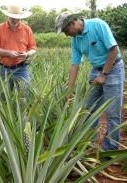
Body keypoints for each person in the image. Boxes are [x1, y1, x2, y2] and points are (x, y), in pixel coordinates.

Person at [55, 11, 125, 151]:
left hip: (113, 69)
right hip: (96, 70)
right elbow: (75, 65)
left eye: (66, 31)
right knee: (87, 108)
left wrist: (104, 74)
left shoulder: (97, 24)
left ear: (73, 23)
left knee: (112, 112)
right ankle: (89, 143)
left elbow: (114, 49)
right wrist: (69, 90)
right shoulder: (75, 40)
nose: (66, 34)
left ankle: (110, 149)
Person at [0, 4, 36, 92]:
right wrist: (9, 53)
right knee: (5, 96)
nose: (14, 20)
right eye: (12, 17)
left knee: (24, 95)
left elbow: (33, 48)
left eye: (17, 18)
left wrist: (27, 54)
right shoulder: (0, 29)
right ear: (7, 16)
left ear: (21, 18)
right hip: (5, 69)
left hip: (22, 68)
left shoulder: (27, 29)